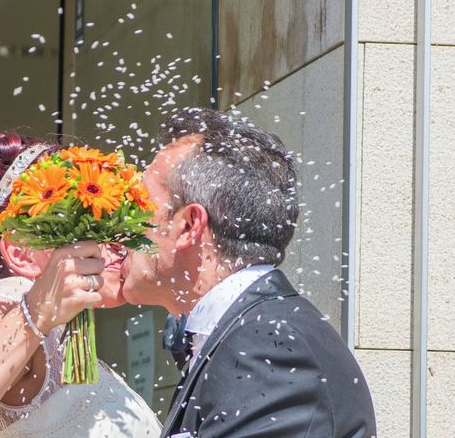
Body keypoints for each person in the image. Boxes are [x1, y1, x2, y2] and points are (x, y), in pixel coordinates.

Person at [121, 108, 377, 437]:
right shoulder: (247, 333)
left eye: (138, 207)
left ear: (188, 226)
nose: (122, 230)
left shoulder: (267, 347)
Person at [0, 132, 161, 437]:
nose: (115, 245)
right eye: (80, 225)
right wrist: (36, 310)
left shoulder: (56, 332)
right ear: (21, 253)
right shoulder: (11, 301)